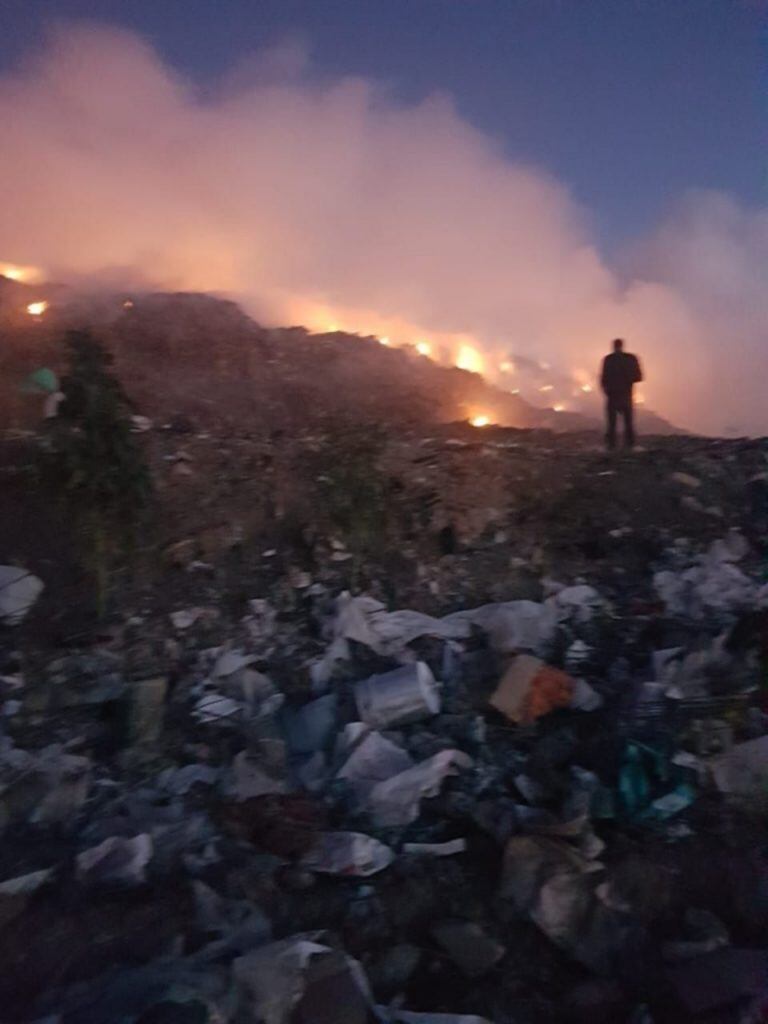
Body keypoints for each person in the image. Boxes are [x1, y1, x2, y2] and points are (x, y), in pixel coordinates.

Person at [600, 338, 643, 449]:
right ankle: (629, 447)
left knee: (612, 423)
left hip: (614, 395)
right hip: (624, 395)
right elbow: (639, 376)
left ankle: (611, 447)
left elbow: (603, 378)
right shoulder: (630, 359)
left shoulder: (608, 359)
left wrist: (607, 390)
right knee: (627, 422)